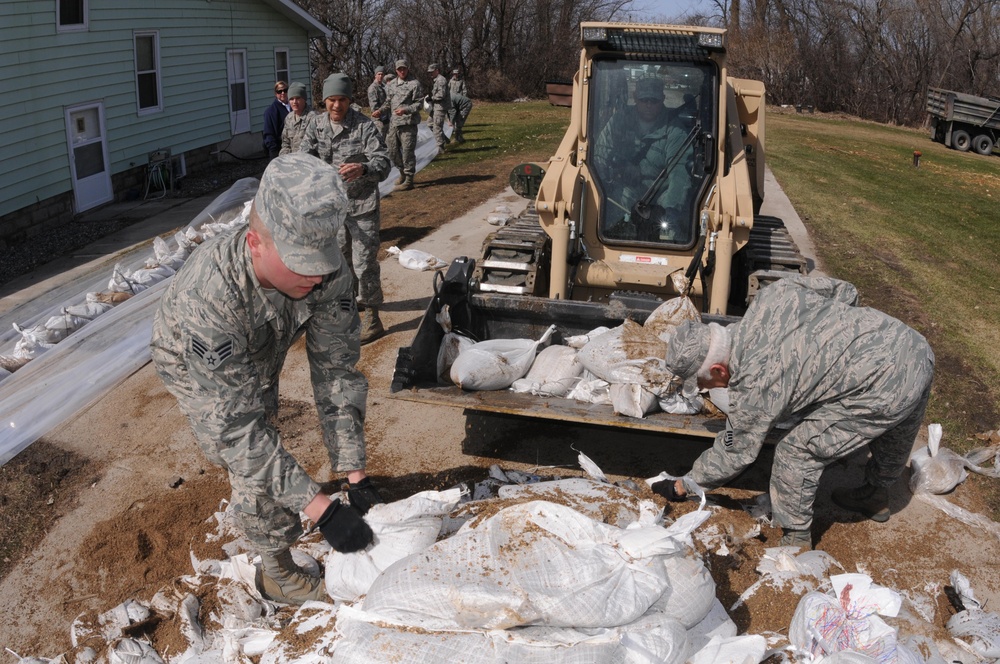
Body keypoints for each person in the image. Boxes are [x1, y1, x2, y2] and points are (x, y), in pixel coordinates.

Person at [150, 153, 385, 605]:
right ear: (255, 242)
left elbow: (336, 370)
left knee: (265, 428)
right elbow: (236, 431)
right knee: (252, 445)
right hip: (195, 356)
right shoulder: (210, 298)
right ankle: (275, 571)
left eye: (322, 259)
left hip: (262, 339)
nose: (316, 275)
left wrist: (354, 474)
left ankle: (294, 515)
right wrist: (322, 509)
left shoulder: (325, 270)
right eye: (301, 262)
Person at [654, 275, 935, 551]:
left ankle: (796, 538)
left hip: (882, 386)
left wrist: (684, 484)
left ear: (718, 369)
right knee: (898, 426)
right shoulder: (772, 295)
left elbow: (734, 452)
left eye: (702, 382)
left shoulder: (755, 386)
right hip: (910, 345)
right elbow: (846, 291)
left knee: (796, 451)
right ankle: (876, 493)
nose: (704, 389)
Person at [300, 72, 391, 344]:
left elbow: (384, 163)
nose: (336, 106)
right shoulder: (316, 125)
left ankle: (373, 317)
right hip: (333, 208)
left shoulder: (364, 127)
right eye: (331, 100)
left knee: (364, 264)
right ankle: (348, 307)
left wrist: (364, 168)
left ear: (350, 101)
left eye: (342, 100)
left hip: (362, 207)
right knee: (340, 263)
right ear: (324, 100)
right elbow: (303, 156)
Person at [591, 77, 697, 244]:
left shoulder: (674, 130)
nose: (649, 104)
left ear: (662, 99)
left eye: (653, 100)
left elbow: (679, 175)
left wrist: (669, 211)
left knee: (670, 232)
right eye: (644, 99)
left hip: (660, 194)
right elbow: (599, 155)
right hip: (624, 190)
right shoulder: (619, 121)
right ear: (635, 97)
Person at [377, 58, 424, 191]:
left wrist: (406, 109)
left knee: (408, 152)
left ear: (407, 68)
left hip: (408, 123)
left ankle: (409, 179)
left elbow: (419, 103)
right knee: (391, 150)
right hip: (394, 124)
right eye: (399, 69)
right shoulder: (391, 85)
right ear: (396, 70)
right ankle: (402, 172)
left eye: (404, 68)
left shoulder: (414, 84)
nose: (402, 71)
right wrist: (379, 111)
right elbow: (388, 102)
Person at [278, 82, 313, 155]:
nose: (294, 102)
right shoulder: (289, 118)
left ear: (304, 99)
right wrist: (284, 158)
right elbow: (285, 143)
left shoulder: (314, 118)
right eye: (291, 99)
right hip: (292, 161)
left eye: (297, 98)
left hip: (309, 161)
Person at [426, 63, 452, 151]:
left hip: (441, 107)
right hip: (436, 106)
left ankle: (441, 148)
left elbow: (441, 95)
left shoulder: (441, 80)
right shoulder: (436, 80)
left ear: (437, 71)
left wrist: (431, 98)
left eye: (432, 72)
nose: (430, 74)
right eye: (429, 72)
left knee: (437, 127)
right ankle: (444, 139)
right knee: (429, 123)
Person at [263, 81, 291, 160]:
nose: (283, 93)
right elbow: (268, 134)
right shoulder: (271, 111)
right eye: (279, 91)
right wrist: (274, 154)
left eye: (285, 90)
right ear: (275, 93)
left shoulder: (294, 106)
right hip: (280, 149)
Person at [367, 66, 388, 142]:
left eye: (382, 74)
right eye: (379, 74)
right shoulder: (373, 88)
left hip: (386, 118)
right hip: (378, 119)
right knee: (380, 141)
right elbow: (374, 107)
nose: (381, 76)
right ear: (375, 75)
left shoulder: (384, 86)